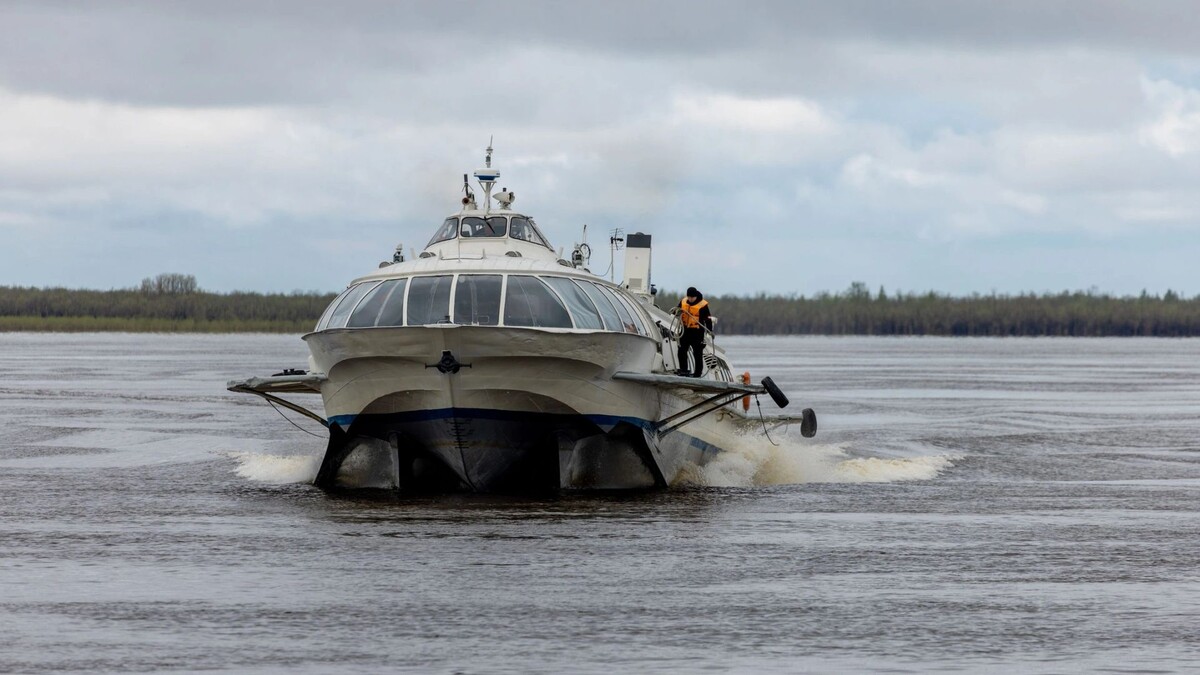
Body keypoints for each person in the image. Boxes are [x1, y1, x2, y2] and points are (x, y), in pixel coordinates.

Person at [676, 286, 713, 377]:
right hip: (685, 330)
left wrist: (709, 331)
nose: (690, 299)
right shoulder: (683, 302)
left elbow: (708, 320)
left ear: (696, 296)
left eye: (692, 297)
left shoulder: (702, 305)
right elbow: (676, 311)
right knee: (681, 350)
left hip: (697, 332)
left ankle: (697, 373)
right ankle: (684, 370)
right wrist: (677, 312)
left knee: (697, 352)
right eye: (689, 297)